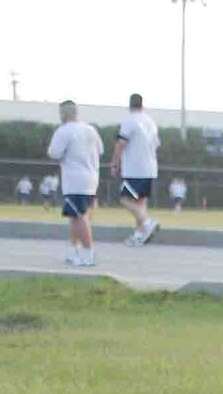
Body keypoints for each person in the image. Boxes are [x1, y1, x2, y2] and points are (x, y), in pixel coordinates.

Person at [45, 99, 104, 267]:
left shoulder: (64, 131)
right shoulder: (91, 130)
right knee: (74, 216)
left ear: (63, 114)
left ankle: (88, 253)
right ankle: (73, 250)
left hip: (75, 180)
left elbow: (54, 153)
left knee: (79, 216)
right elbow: (100, 150)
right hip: (91, 178)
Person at [111, 93, 162, 245]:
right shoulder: (150, 122)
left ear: (129, 105)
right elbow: (156, 144)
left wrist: (115, 163)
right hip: (150, 168)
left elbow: (121, 143)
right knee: (140, 202)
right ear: (142, 105)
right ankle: (140, 234)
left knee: (125, 199)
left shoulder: (129, 120)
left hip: (134, 169)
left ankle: (147, 223)